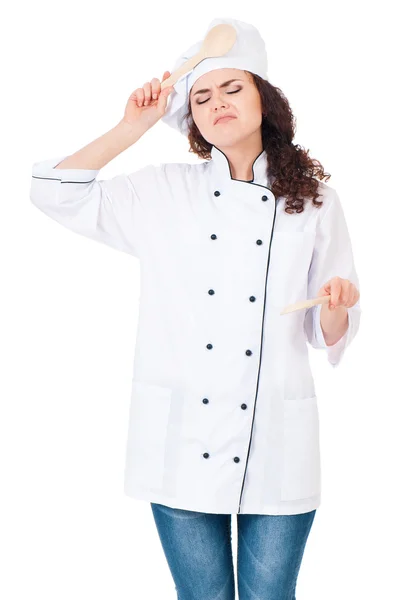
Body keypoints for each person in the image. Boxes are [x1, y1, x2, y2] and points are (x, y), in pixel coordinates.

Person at [30, 17, 361, 600]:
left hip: (275, 442)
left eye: (233, 88)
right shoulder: (162, 191)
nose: (217, 103)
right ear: (192, 121)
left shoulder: (314, 201)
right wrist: (131, 127)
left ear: (266, 100)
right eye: (201, 97)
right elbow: (53, 190)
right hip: (181, 439)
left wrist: (338, 306)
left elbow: (326, 329)